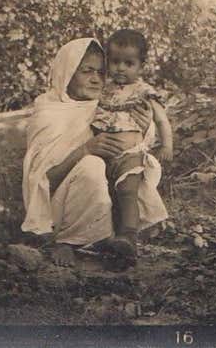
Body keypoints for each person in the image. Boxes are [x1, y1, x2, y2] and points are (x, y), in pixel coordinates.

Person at [21, 37, 167, 267]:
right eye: (86, 71)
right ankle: (67, 241)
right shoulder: (49, 112)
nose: (96, 79)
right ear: (67, 73)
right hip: (60, 205)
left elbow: (138, 147)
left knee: (129, 165)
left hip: (107, 201)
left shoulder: (107, 106)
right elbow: (42, 181)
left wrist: (145, 124)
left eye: (101, 72)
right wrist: (85, 150)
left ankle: (118, 235)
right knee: (92, 164)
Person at [91, 29, 173, 257]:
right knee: (102, 193)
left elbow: (161, 120)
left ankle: (128, 236)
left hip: (130, 154)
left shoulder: (143, 91)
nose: (120, 68)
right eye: (115, 61)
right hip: (102, 153)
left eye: (129, 63)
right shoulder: (102, 89)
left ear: (141, 66)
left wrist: (167, 146)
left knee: (127, 190)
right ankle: (101, 234)